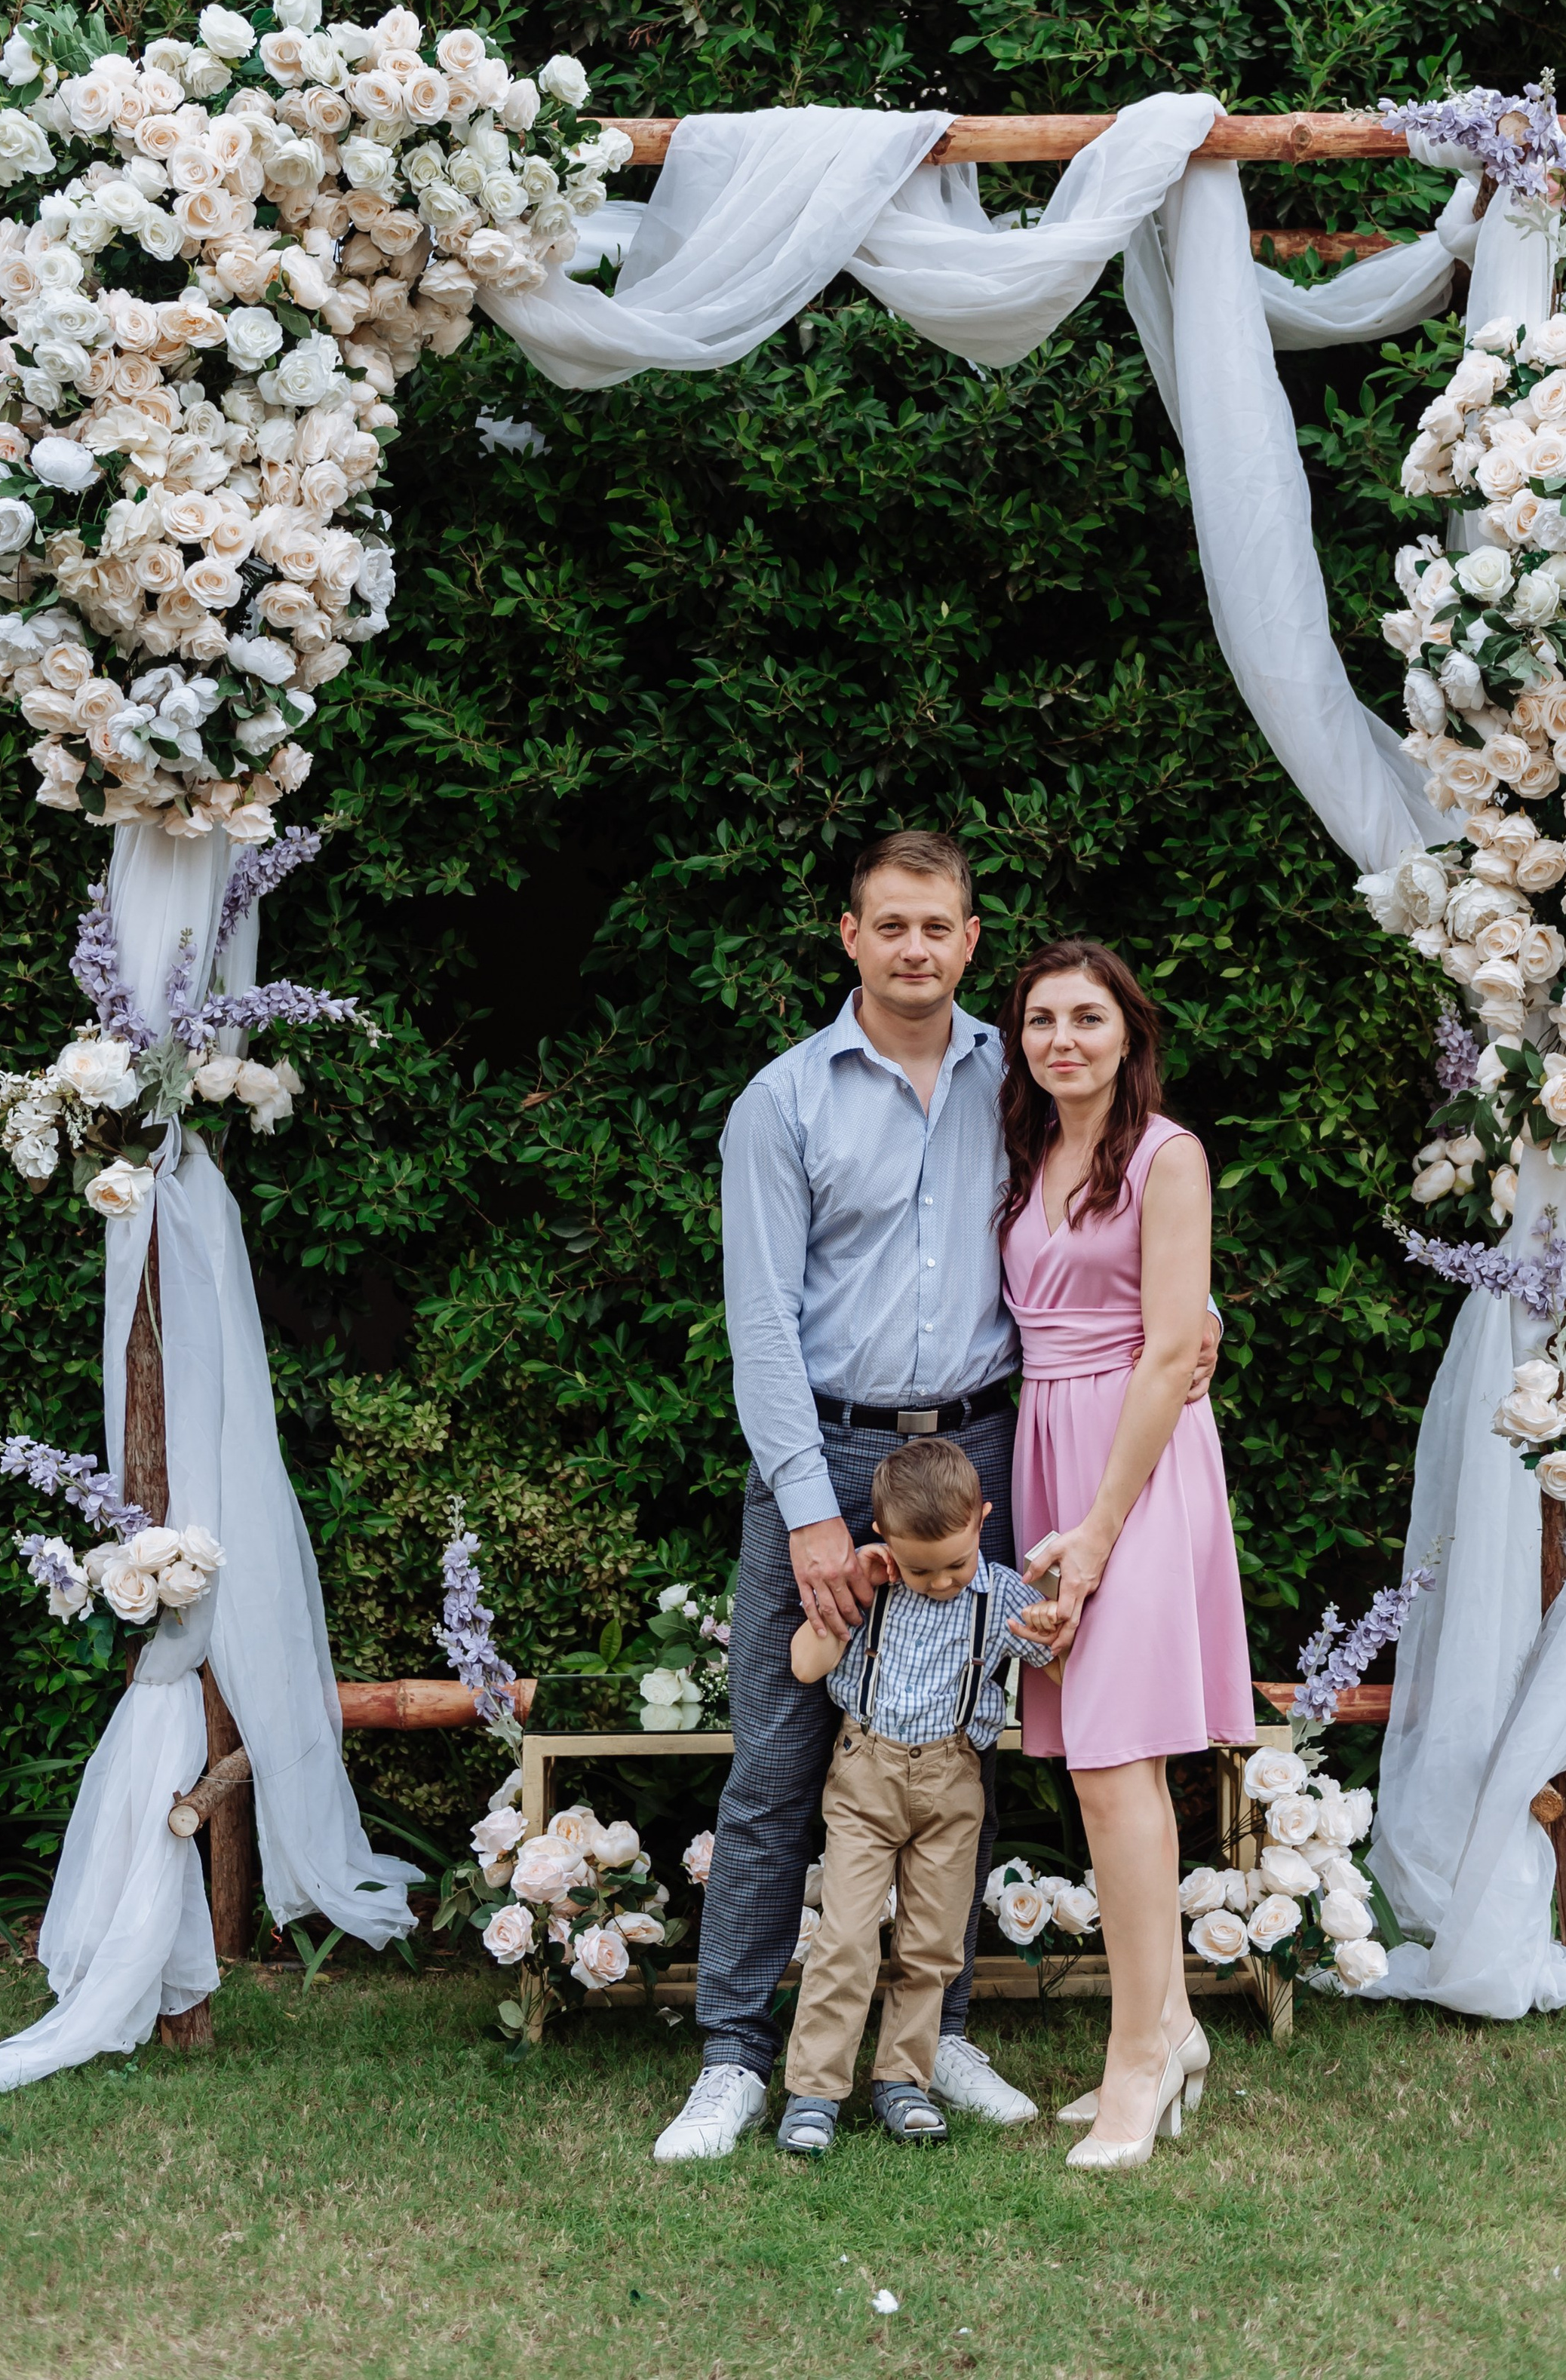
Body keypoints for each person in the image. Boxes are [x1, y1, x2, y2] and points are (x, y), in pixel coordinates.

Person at [653, 833, 1221, 2164]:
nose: (916, 947)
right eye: (890, 925)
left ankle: (939, 2033)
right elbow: (761, 1326)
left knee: (963, 1750)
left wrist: (1189, 1328)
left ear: (971, 940)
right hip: (829, 1454)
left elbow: (1108, 1240)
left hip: (985, 1453)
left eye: (940, 927)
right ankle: (734, 2057)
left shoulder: (1016, 1078)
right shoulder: (782, 1102)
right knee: (781, 1759)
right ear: (848, 936)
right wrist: (806, 1508)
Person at [1000, 936, 1254, 2170]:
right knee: (1098, 1766)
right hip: (1047, 1449)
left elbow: (1168, 1349)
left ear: (1128, 1032)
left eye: (1086, 1017)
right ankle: (1174, 2026)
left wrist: (1097, 1531)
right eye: (1042, 1018)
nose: (1062, 1038)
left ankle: (1139, 2061)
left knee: (1115, 1764)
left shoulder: (1169, 1155)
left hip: (1138, 1471)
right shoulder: (1027, 1155)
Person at [772, 1436, 1061, 2155]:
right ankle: (815, 2090)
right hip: (865, 1777)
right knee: (843, 1936)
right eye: (920, 1567)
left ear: (984, 1520)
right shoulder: (872, 1588)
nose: (939, 1581)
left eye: (956, 1562)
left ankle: (904, 2079)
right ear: (885, 1542)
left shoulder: (998, 1598)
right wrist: (858, 1593)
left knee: (932, 1944)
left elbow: (1055, 1661)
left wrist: (1056, 1614)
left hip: (952, 1780)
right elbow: (806, 1667)